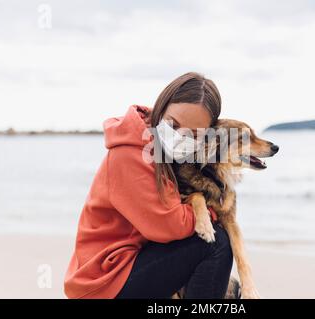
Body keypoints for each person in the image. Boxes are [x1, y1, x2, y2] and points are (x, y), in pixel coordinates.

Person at [64, 72, 235, 299]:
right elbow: (169, 225)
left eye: (193, 134)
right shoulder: (129, 153)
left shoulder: (167, 151)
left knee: (219, 266)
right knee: (215, 244)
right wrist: (213, 212)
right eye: (173, 124)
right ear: (161, 107)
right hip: (102, 280)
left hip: (128, 262)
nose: (179, 136)